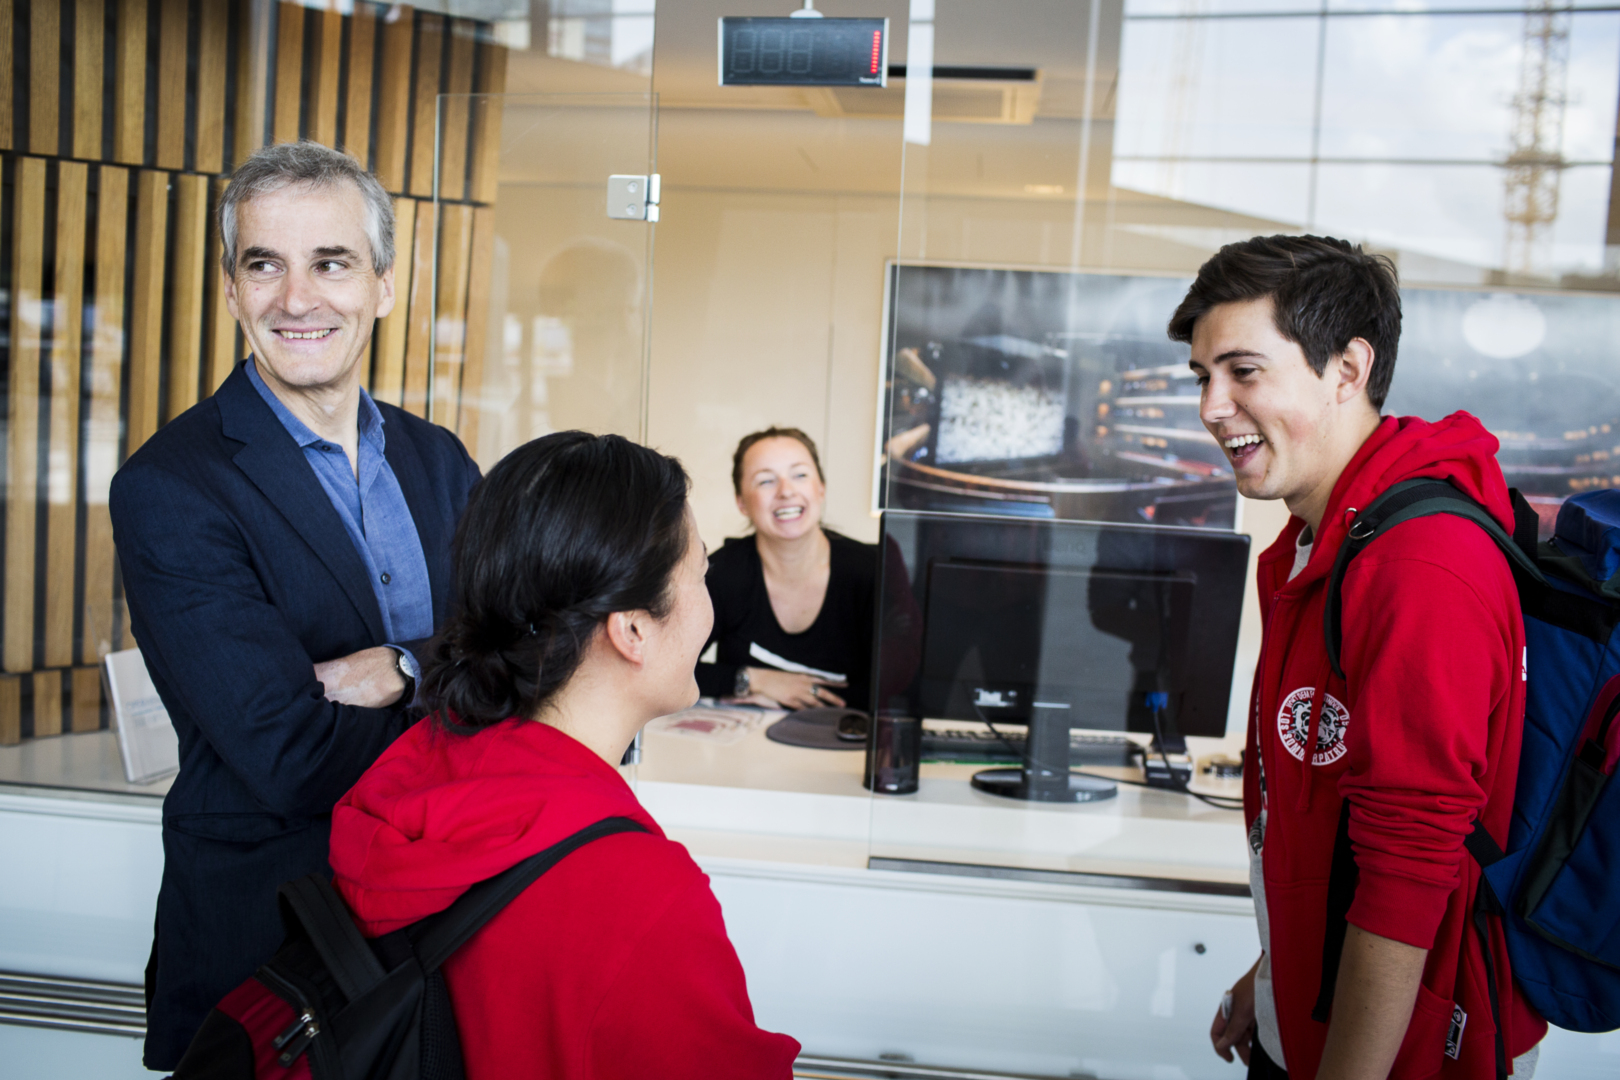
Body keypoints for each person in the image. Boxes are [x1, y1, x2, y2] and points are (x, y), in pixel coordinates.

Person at [109, 141, 481, 1069]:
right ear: (231, 291)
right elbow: (286, 752)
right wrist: (474, 714)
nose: (297, 299)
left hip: (437, 937)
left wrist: (403, 668)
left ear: (384, 287)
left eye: (332, 263)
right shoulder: (173, 485)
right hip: (269, 952)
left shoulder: (439, 462)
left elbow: (522, 647)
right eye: (264, 264)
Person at [1176, 236, 1545, 1079]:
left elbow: (1410, 869)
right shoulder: (1316, 546)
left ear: (1347, 369)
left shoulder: (1420, 567)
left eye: (1243, 371)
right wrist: (1271, 975)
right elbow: (1324, 827)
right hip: (1306, 1019)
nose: (1211, 405)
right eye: (1203, 376)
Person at [328, 431, 801, 1078]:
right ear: (633, 629)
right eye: (700, 572)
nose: (709, 601)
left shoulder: (411, 774)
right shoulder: (640, 894)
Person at [696, 427, 878, 712]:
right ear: (741, 502)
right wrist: (751, 679)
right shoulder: (722, 573)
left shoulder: (872, 571)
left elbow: (901, 692)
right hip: (742, 749)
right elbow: (665, 672)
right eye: (766, 481)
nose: (786, 491)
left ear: (821, 488)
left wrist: (796, 699)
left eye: (800, 475)